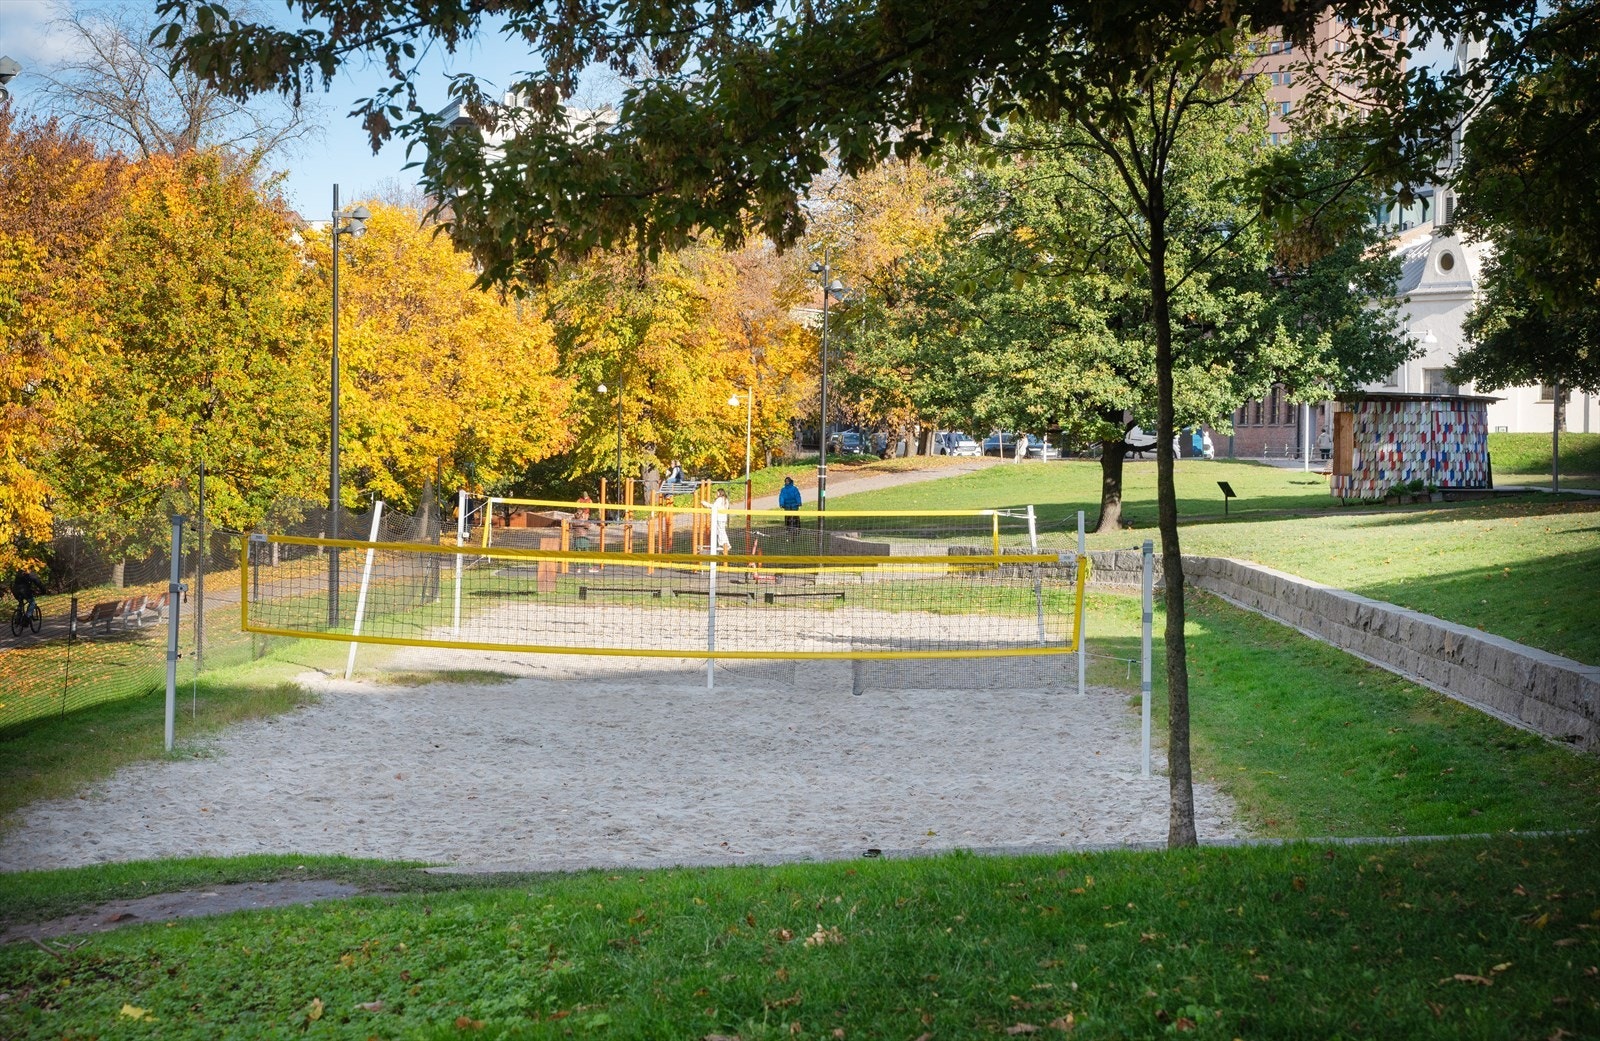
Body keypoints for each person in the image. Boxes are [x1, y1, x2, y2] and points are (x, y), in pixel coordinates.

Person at [702, 488, 732, 553]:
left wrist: (705, 503)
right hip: (723, 518)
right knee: (721, 531)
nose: (716, 494)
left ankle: (723, 544)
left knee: (721, 531)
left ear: (720, 492)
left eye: (717, 492)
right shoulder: (725, 500)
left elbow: (714, 506)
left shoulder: (720, 499)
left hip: (719, 518)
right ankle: (725, 544)